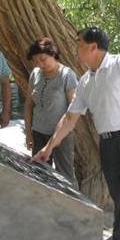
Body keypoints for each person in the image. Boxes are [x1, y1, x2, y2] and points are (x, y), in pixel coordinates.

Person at [32, 27, 120, 240]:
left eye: (79, 44)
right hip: (107, 142)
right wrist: (48, 147)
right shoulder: (86, 81)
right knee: (119, 194)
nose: (76, 49)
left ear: (93, 46)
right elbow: (70, 117)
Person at [24, 38, 78, 187]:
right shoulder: (35, 74)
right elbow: (28, 105)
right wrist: (28, 132)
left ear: (53, 54)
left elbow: (73, 110)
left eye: (43, 59)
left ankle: (70, 201)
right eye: (36, 61)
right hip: (38, 132)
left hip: (61, 135)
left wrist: (56, 138)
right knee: (39, 173)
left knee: (65, 176)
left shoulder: (67, 75)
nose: (40, 64)